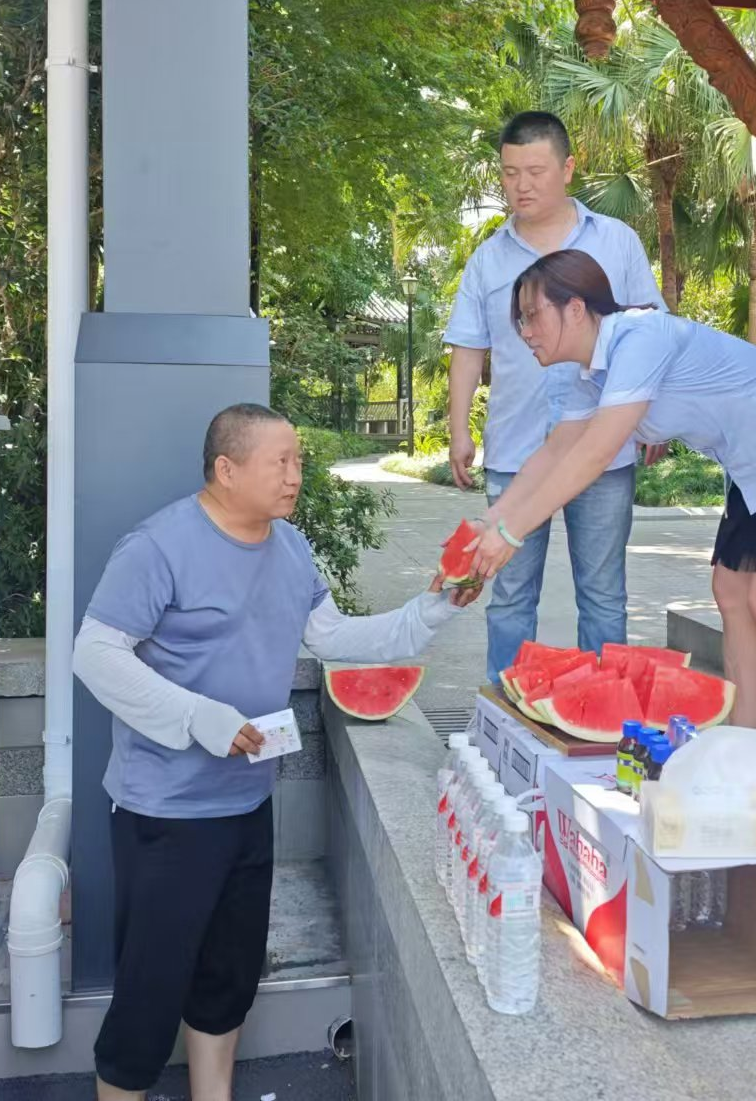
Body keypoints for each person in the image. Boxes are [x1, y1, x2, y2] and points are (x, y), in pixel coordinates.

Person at [74, 403, 481, 1101]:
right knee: (148, 995)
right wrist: (196, 716)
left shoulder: (290, 546)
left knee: (227, 980)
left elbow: (332, 636)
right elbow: (95, 654)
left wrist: (433, 609)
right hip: (164, 814)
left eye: (298, 461)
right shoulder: (158, 547)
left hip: (247, 804)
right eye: (280, 462)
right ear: (226, 470)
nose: (295, 475)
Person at [468, 250, 756, 816]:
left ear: (574, 308)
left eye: (531, 316)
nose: (524, 332)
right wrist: (491, 522)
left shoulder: (639, 338)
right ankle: (743, 754)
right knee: (731, 591)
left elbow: (596, 453)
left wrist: (512, 534)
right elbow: (553, 454)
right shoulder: (587, 376)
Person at [443, 111, 666, 681]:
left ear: (568, 169)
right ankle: (505, 714)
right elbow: (468, 348)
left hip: (604, 448)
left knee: (604, 593)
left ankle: (605, 715)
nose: (521, 185)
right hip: (516, 448)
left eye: (535, 171)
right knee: (510, 596)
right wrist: (459, 429)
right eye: (510, 172)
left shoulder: (616, 242)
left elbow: (652, 332)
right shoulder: (488, 259)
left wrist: (655, 421)